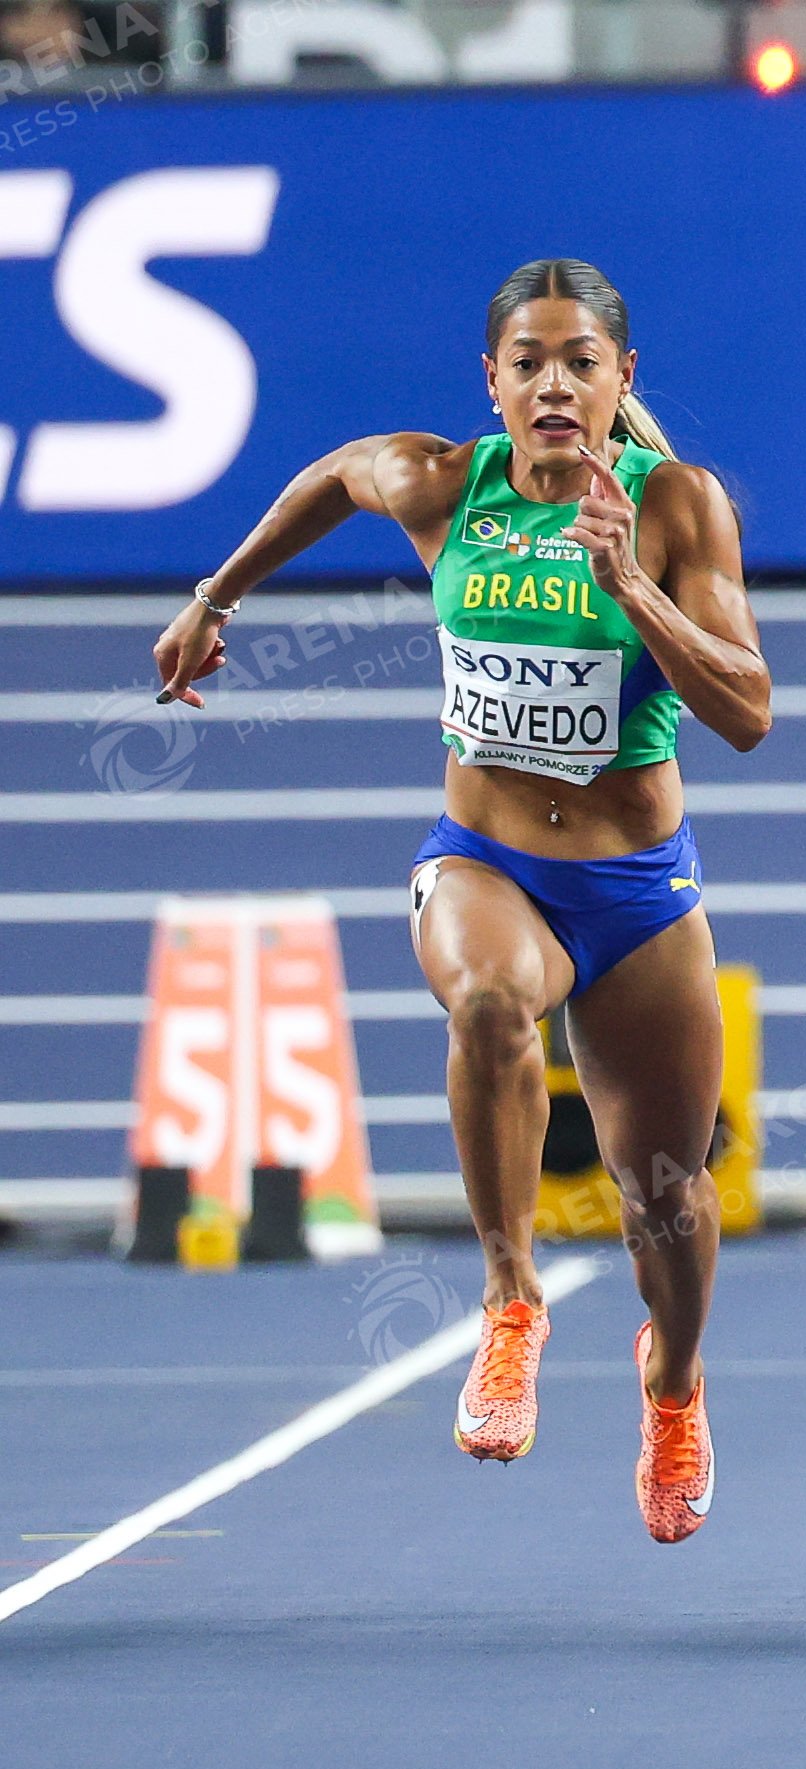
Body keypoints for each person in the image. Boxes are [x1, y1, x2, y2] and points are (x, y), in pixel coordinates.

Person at [150, 258, 771, 1543]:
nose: (553, 385)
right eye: (527, 362)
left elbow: (749, 710)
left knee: (665, 1195)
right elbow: (335, 476)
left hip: (636, 890)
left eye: (579, 363)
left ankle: (672, 1381)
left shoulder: (677, 506)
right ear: (491, 381)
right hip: (487, 860)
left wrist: (633, 589)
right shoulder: (443, 483)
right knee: (489, 1002)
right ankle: (509, 1299)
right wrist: (216, 597)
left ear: (620, 379)